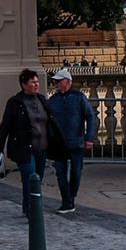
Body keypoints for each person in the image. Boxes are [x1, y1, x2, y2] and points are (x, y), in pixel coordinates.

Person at [0, 69, 51, 217]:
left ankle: (33, 204)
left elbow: (50, 122)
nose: (36, 85)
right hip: (23, 147)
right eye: (33, 82)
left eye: (37, 82)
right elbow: (5, 125)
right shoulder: (15, 102)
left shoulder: (42, 99)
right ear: (24, 84)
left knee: (38, 177)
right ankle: (31, 208)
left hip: (41, 146)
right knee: (29, 176)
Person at [44, 68, 94, 213]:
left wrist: (89, 138)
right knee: (60, 173)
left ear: (68, 82)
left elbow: (90, 117)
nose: (56, 84)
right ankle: (67, 200)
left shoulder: (79, 97)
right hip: (59, 143)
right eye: (55, 82)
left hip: (76, 141)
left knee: (76, 172)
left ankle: (70, 197)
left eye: (59, 81)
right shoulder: (53, 100)